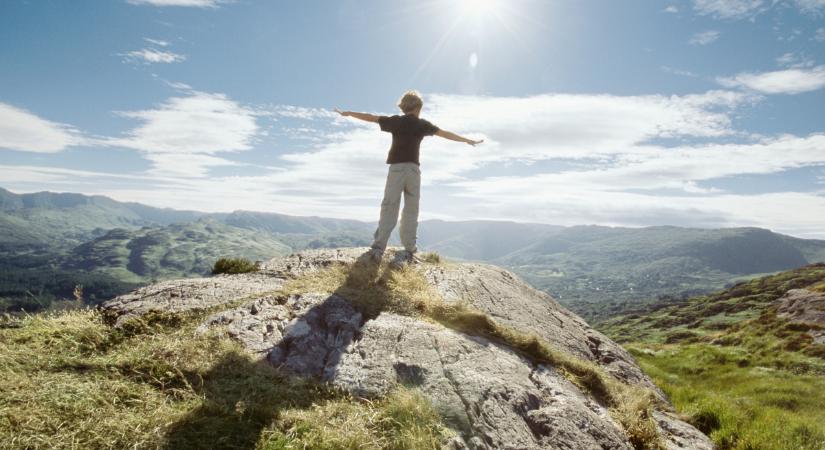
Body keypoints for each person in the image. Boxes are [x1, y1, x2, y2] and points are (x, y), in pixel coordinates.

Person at [335, 90, 483, 262]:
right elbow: (445, 133)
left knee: (390, 205)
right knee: (411, 209)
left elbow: (371, 117)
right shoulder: (422, 125)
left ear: (404, 107)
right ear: (418, 107)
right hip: (413, 170)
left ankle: (379, 247)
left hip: (397, 169)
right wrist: (466, 140)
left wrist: (349, 113)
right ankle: (410, 248)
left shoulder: (396, 122)